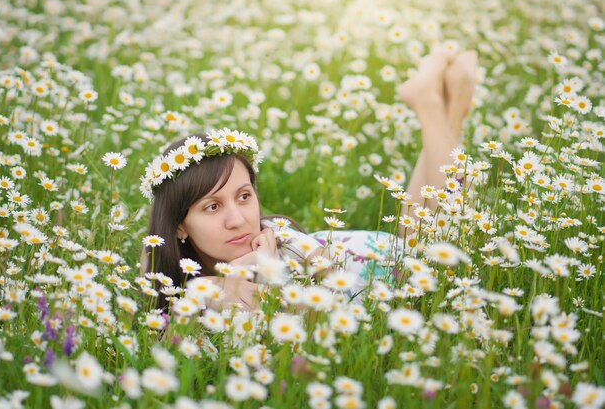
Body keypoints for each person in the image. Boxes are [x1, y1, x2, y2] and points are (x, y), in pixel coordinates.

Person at [140, 49, 478, 312]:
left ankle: (432, 106)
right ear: (179, 225)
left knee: (443, 251)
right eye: (212, 206)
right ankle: (447, 109)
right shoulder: (185, 285)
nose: (238, 219)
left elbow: (333, 302)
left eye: (244, 196)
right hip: (390, 265)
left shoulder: (277, 238)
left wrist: (271, 271)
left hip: (379, 267)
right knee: (425, 238)